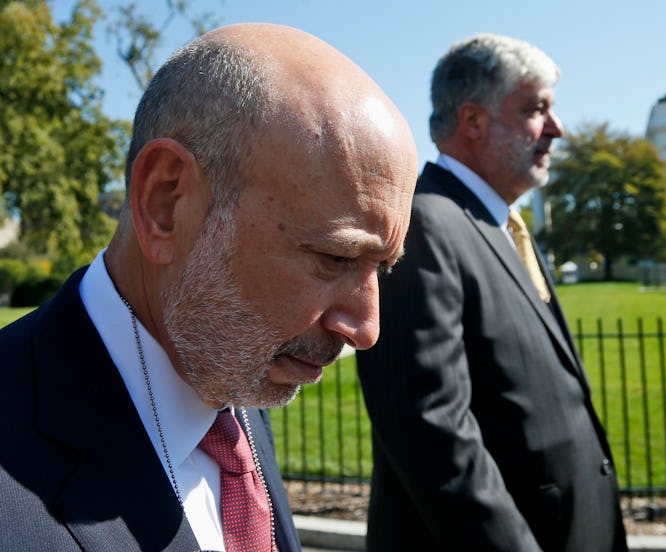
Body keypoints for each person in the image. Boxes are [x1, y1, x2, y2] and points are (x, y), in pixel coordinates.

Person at [0, 23, 417, 552]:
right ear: (166, 202)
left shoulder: (225, 367)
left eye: (380, 267)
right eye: (334, 257)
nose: (366, 329)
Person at [357, 33, 628, 551]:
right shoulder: (424, 225)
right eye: (535, 110)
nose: (557, 129)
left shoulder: (498, 224)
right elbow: (428, 429)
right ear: (473, 122)